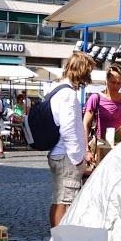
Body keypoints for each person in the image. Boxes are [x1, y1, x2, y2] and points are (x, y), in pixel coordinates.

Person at [48, 51, 95, 227]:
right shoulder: (68, 94)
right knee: (65, 200)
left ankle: (59, 239)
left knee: (61, 198)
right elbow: (68, 128)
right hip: (66, 155)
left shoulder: (57, 89)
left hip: (59, 153)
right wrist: (77, 157)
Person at [82, 63, 121, 155]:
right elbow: (85, 124)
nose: (116, 86)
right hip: (100, 146)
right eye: (112, 82)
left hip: (119, 148)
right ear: (106, 80)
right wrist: (86, 150)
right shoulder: (95, 98)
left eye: (119, 83)